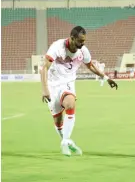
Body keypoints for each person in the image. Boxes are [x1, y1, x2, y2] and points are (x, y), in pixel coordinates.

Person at [40, 26, 118, 156]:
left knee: (70, 103)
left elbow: (90, 65)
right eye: (80, 41)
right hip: (53, 85)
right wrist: (45, 89)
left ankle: (65, 142)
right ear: (72, 38)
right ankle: (67, 140)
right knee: (58, 122)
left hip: (67, 83)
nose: (82, 44)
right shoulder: (57, 47)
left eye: (84, 41)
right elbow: (44, 68)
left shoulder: (83, 51)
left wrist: (105, 77)